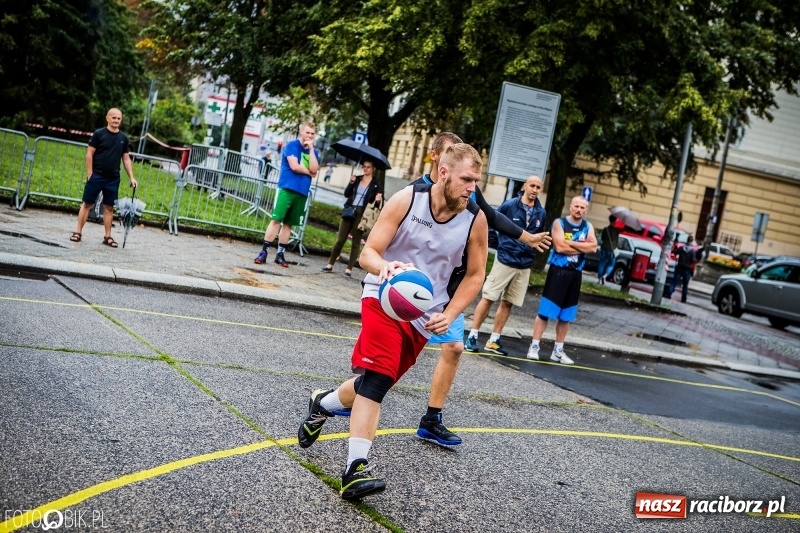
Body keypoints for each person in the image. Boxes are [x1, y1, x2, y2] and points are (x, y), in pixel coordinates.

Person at [296, 143, 489, 500]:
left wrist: (450, 312)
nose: (471, 188)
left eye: (476, 181)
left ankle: (323, 403)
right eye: (466, 179)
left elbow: (476, 276)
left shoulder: (474, 218)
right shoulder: (406, 199)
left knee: (374, 383)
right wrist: (384, 268)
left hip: (424, 314)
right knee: (380, 376)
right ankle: (355, 469)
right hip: (383, 296)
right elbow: (370, 251)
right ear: (444, 172)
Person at [410, 132, 551, 448]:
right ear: (438, 159)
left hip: (448, 288)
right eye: (450, 152)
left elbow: (492, 215)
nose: (457, 159)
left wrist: (526, 236)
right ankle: (352, 395)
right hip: (411, 285)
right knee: (394, 361)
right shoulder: (415, 193)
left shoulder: (467, 194)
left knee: (454, 348)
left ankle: (431, 419)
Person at [465, 175, 546, 355]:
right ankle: (472, 335)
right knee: (489, 297)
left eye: (538, 187)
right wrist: (500, 246)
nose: (534, 190)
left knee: (508, 302)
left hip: (524, 264)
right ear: (525, 185)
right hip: (505, 259)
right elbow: (493, 223)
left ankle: (494, 340)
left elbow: (538, 236)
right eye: (532, 186)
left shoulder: (541, 212)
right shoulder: (510, 205)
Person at [526, 196, 597, 364]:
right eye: (576, 206)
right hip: (558, 272)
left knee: (566, 315)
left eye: (582, 207)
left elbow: (593, 247)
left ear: (586, 210)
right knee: (545, 312)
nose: (579, 210)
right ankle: (534, 346)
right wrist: (581, 247)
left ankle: (558, 350)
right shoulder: (559, 223)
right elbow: (558, 246)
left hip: (575, 274)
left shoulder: (588, 226)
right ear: (571, 207)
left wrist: (569, 244)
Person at [254, 121, 319, 267]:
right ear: (301, 132)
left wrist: (312, 149)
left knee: (289, 224)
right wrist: (309, 172)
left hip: (302, 191)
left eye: (312, 133)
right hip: (287, 188)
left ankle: (280, 254)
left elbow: (316, 168)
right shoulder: (291, 146)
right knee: (276, 220)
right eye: (307, 132)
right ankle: (264, 251)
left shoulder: (314, 151)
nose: (309, 135)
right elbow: (295, 167)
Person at [71, 108, 138, 247]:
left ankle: (108, 237)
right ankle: (78, 232)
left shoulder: (123, 138)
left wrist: (132, 177)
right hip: (97, 175)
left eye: (119, 118)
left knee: (109, 207)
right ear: (107, 118)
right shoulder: (99, 134)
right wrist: (90, 172)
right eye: (113, 118)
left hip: (113, 178)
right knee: (87, 204)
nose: (116, 120)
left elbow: (126, 159)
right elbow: (89, 153)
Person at [322, 160, 383, 276]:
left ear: (373, 169)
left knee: (356, 242)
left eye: (368, 167)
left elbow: (375, 205)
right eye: (364, 167)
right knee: (340, 239)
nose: (365, 169)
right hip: (350, 210)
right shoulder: (357, 179)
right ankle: (330, 264)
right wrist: (351, 183)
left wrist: (378, 200)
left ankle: (349, 269)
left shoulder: (376, 184)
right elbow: (346, 194)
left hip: (362, 214)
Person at [667, 234, 703, 302]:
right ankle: (683, 299)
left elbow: (675, 252)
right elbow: (693, 260)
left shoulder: (681, 248)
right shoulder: (692, 251)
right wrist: (698, 259)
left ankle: (669, 293)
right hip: (687, 269)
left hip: (679, 266)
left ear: (687, 240)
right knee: (685, 285)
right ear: (692, 241)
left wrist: (675, 245)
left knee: (674, 282)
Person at [597, 216, 621, 284]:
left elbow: (602, 238)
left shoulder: (605, 229)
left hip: (604, 248)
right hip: (612, 249)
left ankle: (599, 279)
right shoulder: (616, 230)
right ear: (615, 221)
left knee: (602, 263)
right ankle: (605, 276)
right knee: (611, 264)